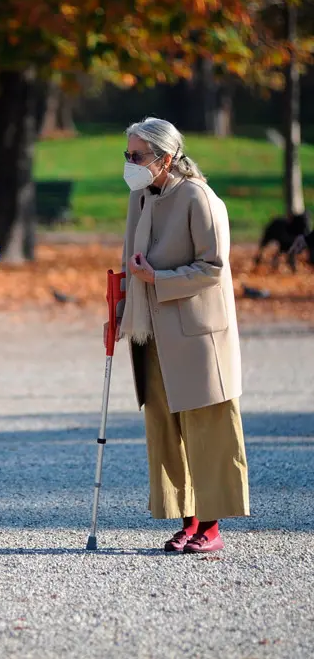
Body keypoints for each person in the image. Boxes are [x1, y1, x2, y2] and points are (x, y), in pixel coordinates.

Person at [105, 117, 249, 554]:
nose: (130, 164)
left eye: (137, 156)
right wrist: (121, 311)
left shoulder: (199, 197)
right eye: (127, 155)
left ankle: (211, 526)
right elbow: (131, 262)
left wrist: (158, 278)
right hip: (150, 331)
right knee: (167, 429)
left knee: (208, 429)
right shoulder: (141, 196)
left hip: (197, 334)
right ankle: (188, 521)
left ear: (166, 157)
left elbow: (214, 268)